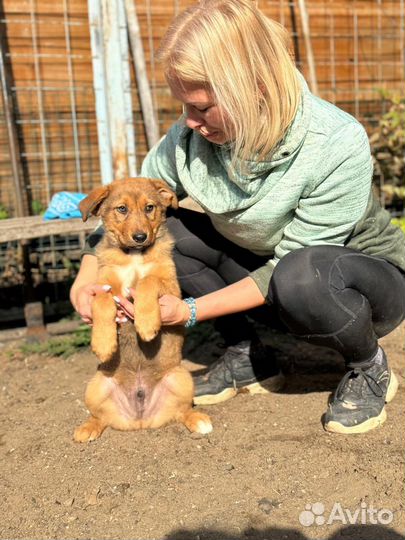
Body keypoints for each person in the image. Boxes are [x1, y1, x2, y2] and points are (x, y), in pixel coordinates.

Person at [70, 0, 405, 435]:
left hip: (356, 285)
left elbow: (291, 264)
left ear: (254, 89)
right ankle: (250, 357)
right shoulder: (191, 139)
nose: (188, 122)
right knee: (168, 232)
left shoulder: (335, 142)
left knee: (300, 274)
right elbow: (132, 207)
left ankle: (368, 365)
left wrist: (189, 311)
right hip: (270, 273)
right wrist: (87, 278)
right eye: (183, 106)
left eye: (202, 107)